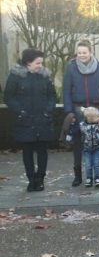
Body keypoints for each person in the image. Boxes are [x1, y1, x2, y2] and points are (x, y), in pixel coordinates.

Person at [3, 48, 56, 192]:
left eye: (41, 63)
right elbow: (9, 97)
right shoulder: (15, 77)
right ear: (28, 62)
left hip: (42, 119)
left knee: (42, 151)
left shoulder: (45, 76)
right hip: (25, 120)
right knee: (27, 151)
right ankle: (31, 179)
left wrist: (48, 110)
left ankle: (40, 179)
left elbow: (52, 96)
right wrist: (20, 111)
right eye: (37, 63)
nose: (40, 66)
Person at [63, 39, 99, 187]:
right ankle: (78, 176)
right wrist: (69, 111)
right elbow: (66, 91)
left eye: (84, 52)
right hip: (78, 109)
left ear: (90, 53)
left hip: (96, 110)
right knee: (78, 143)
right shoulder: (71, 68)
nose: (81, 55)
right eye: (79, 52)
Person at [74, 107, 99, 188]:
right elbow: (76, 132)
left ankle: (97, 178)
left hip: (98, 148)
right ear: (89, 118)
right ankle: (89, 178)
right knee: (88, 165)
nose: (98, 118)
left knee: (96, 164)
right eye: (96, 117)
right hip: (87, 149)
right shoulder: (82, 125)